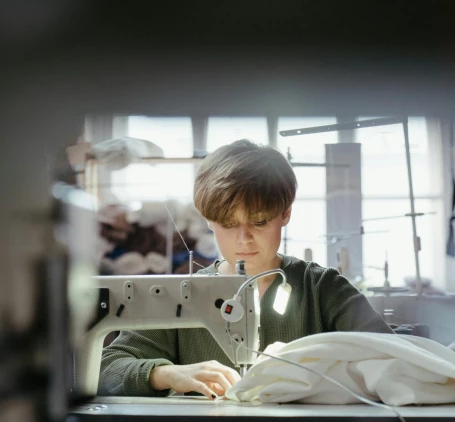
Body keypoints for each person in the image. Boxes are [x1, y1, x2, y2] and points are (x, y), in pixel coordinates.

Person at [98, 139, 393, 398]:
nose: (244, 239)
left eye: (260, 222)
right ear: (209, 220)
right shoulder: (183, 295)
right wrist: (169, 374)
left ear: (285, 213)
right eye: (228, 224)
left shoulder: (324, 289)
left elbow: (394, 357)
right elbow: (107, 369)